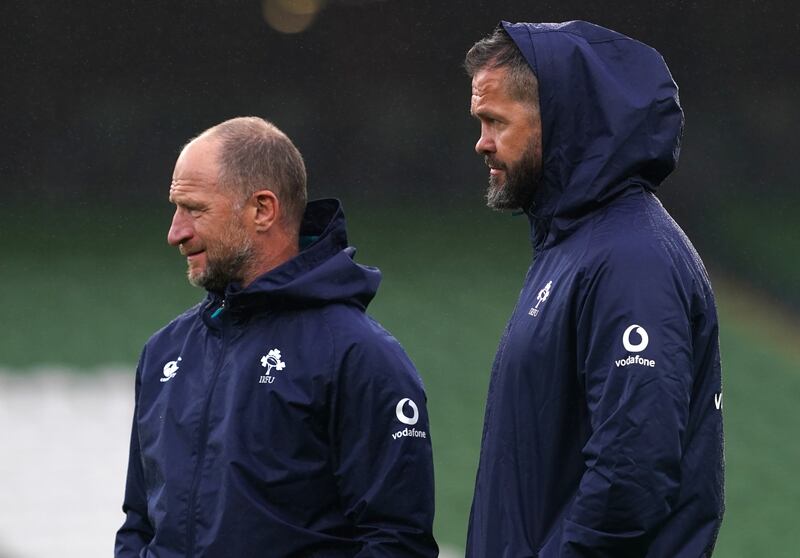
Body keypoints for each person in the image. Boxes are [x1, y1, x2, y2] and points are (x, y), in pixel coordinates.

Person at [115, 116, 438, 557]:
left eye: (194, 209)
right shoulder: (164, 352)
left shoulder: (360, 356)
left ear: (262, 210)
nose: (176, 233)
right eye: (176, 208)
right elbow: (139, 525)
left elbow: (397, 542)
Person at [464, 21, 724, 557]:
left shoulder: (632, 260)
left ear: (557, 120)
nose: (481, 143)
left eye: (496, 122)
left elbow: (632, 474)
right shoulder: (573, 248)